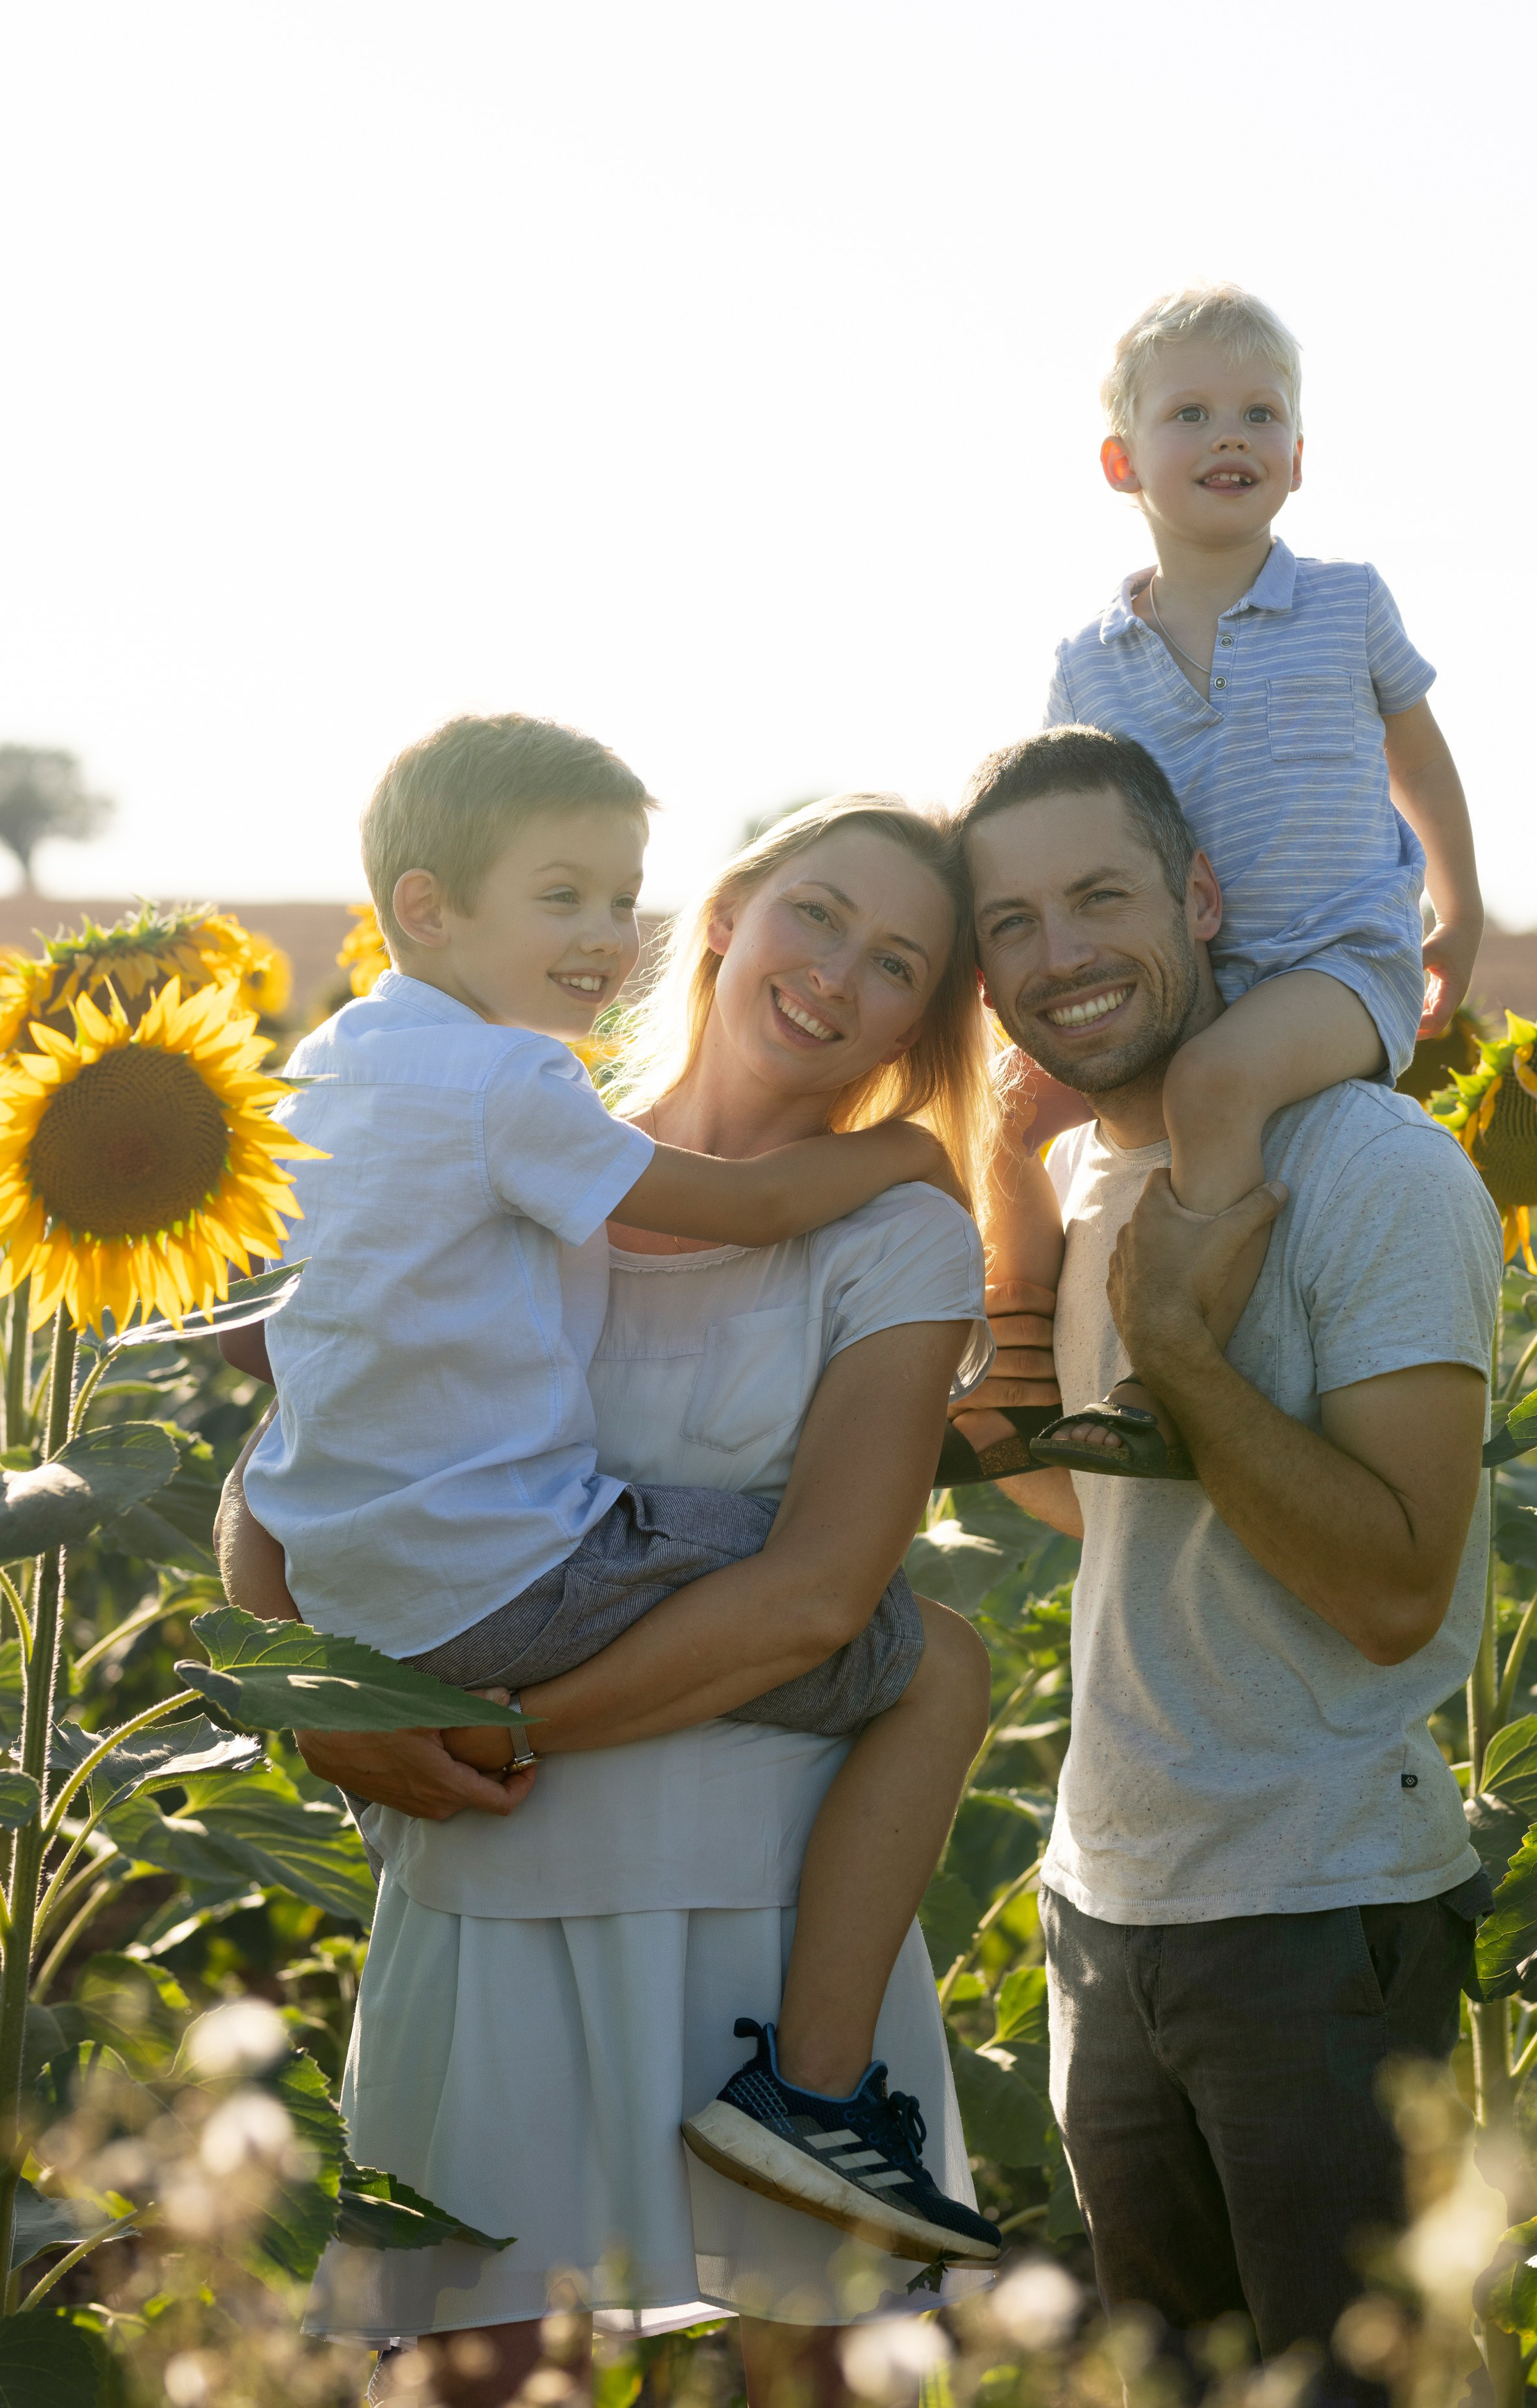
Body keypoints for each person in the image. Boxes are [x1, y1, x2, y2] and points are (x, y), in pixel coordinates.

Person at [218, 792, 1005, 2408]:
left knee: (820, 2371)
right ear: (723, 913)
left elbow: (815, 1600)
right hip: (484, 1908)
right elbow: (290, 1473)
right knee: (474, 2376)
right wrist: (322, 1708)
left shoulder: (893, 1231)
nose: (837, 974)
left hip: (765, 1926)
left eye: (897, 962)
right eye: (816, 914)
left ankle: (814, 2093)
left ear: (921, 1018)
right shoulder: (514, 1146)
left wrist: (486, 1727)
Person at [953, 725, 1500, 2393]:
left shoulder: (1369, 1169)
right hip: (1106, 1896)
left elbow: (1397, 1580)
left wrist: (1177, 1355)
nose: (1061, 954)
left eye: (1100, 894)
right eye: (1013, 922)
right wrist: (1009, 1404)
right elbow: (1125, 1522)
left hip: (1313, 1905)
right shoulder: (1076, 1180)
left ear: (1197, 895)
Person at [958, 283, 1484, 1485]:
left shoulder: (1346, 602)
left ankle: (1173, 1368)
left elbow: (1422, 757)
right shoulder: (1087, 660)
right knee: (1004, 1112)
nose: (1231, 435)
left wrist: (1462, 908)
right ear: (1120, 460)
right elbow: (1049, 810)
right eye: (1191, 413)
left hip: (1336, 963)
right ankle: (1021, 1373)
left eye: (1261, 412)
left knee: (1214, 1084)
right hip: (1187, 971)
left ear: (1300, 457)